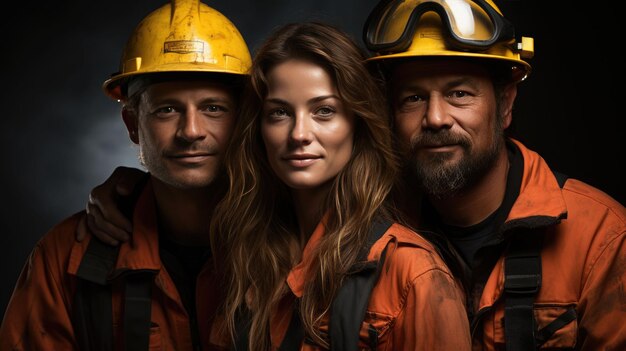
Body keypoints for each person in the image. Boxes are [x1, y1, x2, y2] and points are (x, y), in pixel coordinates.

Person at [77, 21, 473, 350]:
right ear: (258, 129)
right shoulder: (247, 259)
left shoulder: (414, 273)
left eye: (324, 111)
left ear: (358, 124)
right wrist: (128, 192)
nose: (300, 134)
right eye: (280, 112)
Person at [361, 0, 626, 350]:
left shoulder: (600, 238)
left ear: (505, 105)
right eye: (413, 98)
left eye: (459, 94)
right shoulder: (369, 237)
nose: (435, 118)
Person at [0, 0, 251, 350]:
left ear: (243, 121)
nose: (191, 130)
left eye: (213, 108)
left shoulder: (288, 242)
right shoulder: (66, 257)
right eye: (167, 109)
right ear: (133, 124)